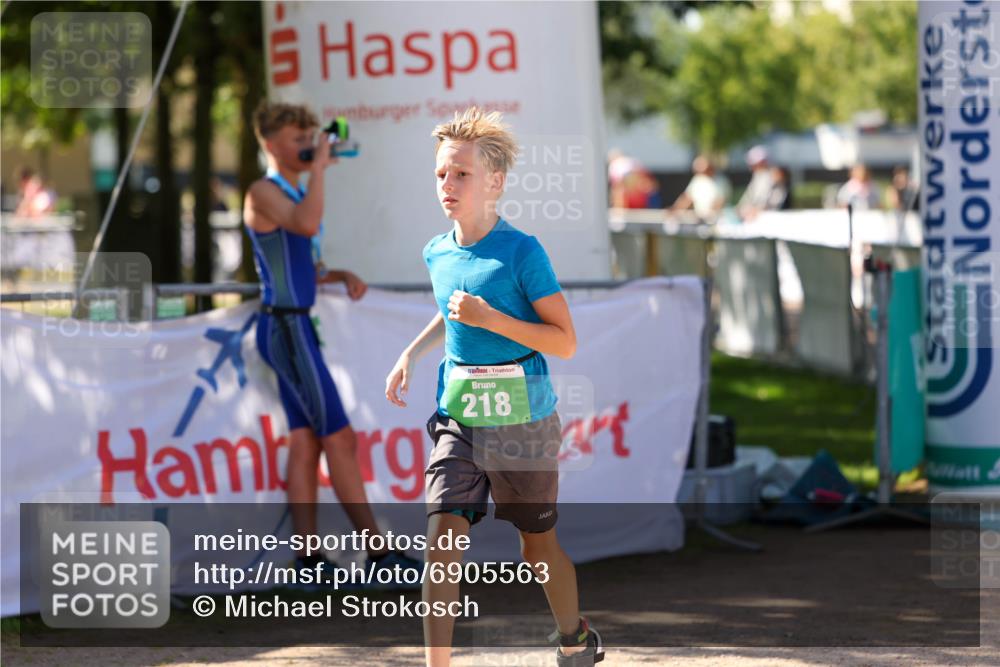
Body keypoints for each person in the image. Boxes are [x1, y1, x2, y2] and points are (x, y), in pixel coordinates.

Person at [385, 107, 605, 667]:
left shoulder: (523, 252)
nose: (448, 185)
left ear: (495, 182)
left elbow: (564, 342)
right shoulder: (437, 251)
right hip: (458, 416)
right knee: (443, 544)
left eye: (461, 174)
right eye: (441, 174)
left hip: (523, 421)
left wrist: (492, 320)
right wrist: (411, 354)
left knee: (537, 548)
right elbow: (451, 313)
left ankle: (574, 636)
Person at [243, 101, 420, 585]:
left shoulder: (290, 189)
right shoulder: (264, 190)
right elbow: (303, 224)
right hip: (287, 328)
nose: (306, 143)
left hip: (293, 326)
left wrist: (338, 274)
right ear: (269, 144)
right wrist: (319, 168)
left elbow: (305, 262)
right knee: (339, 437)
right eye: (297, 137)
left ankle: (307, 562)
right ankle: (379, 555)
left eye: (310, 135)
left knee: (306, 443)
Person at [670, 155, 731, 222]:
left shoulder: (721, 181)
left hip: (717, 220)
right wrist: (674, 210)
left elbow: (720, 202)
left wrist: (707, 214)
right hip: (700, 220)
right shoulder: (697, 180)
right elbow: (687, 198)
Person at [736, 145, 775, 221]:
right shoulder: (757, 176)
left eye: (754, 164)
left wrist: (755, 209)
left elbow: (768, 203)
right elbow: (748, 197)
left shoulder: (771, 177)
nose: (751, 167)